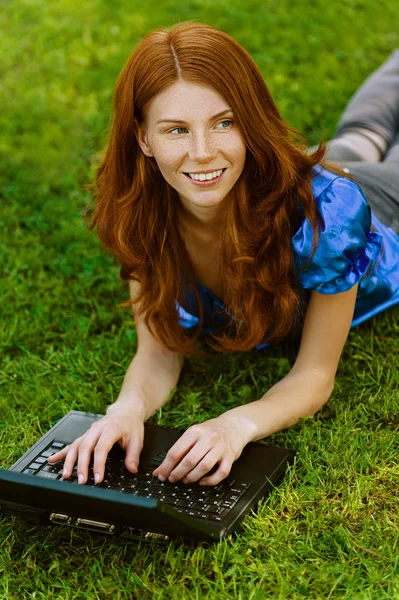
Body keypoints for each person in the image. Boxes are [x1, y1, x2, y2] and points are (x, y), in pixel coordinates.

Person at [48, 22, 399, 488]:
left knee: (371, 144)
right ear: (143, 139)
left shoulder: (329, 215)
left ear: (250, 121)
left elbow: (314, 374)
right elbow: (159, 349)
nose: (202, 153)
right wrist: (125, 409)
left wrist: (236, 424)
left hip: (380, 206)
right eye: (176, 130)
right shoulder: (139, 213)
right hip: (308, 172)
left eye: (224, 122)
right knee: (360, 136)